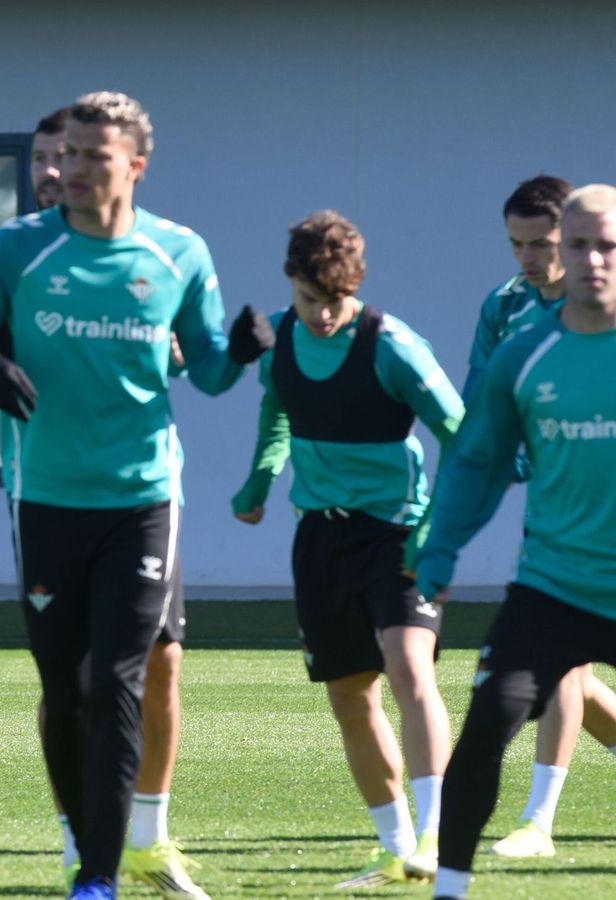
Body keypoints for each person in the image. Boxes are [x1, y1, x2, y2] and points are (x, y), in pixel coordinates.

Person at [0, 92, 270, 900]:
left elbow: (208, 369)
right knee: (64, 688)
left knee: (120, 680)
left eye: (91, 158)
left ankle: (103, 876)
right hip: (43, 496)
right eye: (65, 155)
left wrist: (241, 351)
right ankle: (81, 841)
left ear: (135, 166)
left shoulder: (179, 252)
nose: (70, 171)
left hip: (144, 497)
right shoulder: (14, 251)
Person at [231, 212, 461, 889]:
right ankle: (397, 849)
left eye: (336, 301)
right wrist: (261, 475)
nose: (323, 315)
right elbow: (277, 408)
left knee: (409, 668)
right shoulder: (277, 340)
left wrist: (433, 531)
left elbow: (464, 435)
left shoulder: (392, 345)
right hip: (320, 538)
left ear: (355, 287)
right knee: (349, 695)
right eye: (310, 299)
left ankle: (437, 835)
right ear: (291, 282)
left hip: (396, 532)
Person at [416, 184, 616, 900]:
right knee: (485, 728)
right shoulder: (524, 349)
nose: (592, 260)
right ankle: (450, 888)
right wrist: (440, 549)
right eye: (579, 245)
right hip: (553, 585)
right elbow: (477, 459)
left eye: (608, 246)